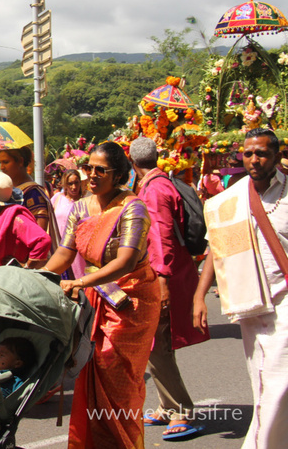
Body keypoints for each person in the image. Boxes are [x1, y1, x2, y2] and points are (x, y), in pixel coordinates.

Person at [43, 141, 160, 449]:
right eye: (88, 168)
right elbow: (65, 253)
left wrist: (82, 283)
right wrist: (40, 276)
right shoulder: (81, 206)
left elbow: (127, 261)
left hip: (130, 301)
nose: (91, 176)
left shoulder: (132, 207)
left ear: (119, 173)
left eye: (100, 170)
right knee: (89, 369)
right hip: (95, 297)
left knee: (115, 375)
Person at [193, 128, 288, 448]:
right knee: (261, 378)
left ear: (276, 155)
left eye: (262, 153)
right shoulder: (230, 199)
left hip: (285, 296)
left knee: (279, 378)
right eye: (248, 153)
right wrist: (199, 296)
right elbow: (215, 249)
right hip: (250, 298)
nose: (254, 159)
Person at [129, 137, 209, 439]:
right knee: (158, 345)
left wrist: (161, 281)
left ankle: (182, 410)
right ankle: (166, 405)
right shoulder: (164, 183)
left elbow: (160, 237)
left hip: (165, 276)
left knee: (158, 347)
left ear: (132, 162)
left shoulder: (154, 190)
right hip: (172, 272)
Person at [0, 171, 52, 276]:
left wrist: (27, 266)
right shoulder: (1, 216)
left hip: (10, 279)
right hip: (1, 277)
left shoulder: (16, 219)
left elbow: (43, 240)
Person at [0, 147, 60, 244]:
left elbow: (40, 236)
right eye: (0, 163)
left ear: (21, 162)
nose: (1, 167)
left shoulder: (33, 193)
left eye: (5, 162)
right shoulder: (9, 192)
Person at [51, 169, 87, 279]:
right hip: (58, 245)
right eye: (70, 184)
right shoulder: (57, 198)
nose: (74, 187)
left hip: (77, 250)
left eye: (76, 183)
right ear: (65, 185)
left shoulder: (85, 201)